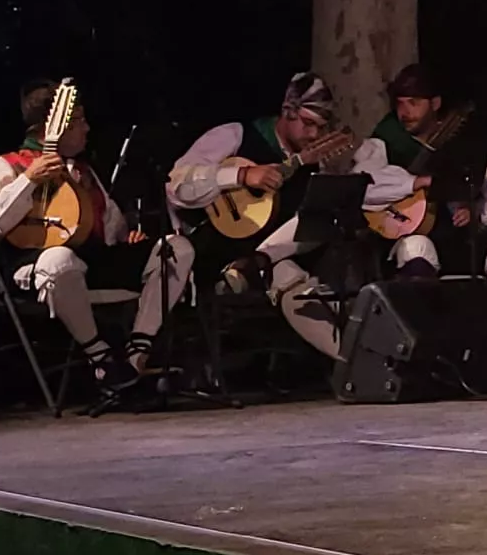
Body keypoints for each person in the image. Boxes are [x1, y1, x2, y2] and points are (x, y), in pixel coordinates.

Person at [0, 81, 196, 390]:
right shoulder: (6, 166)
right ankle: (100, 359)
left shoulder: (84, 172)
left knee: (176, 248)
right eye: (79, 121)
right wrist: (29, 180)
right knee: (59, 259)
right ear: (53, 125)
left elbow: (109, 226)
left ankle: (135, 355)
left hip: (94, 264)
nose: (87, 129)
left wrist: (128, 238)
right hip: (38, 269)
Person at [168, 73, 410, 357]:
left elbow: (309, 226)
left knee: (294, 274)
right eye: (307, 124)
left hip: (269, 261)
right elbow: (177, 183)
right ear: (287, 111)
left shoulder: (311, 165)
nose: (314, 136)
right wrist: (241, 175)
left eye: (320, 128)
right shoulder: (236, 135)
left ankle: (354, 361)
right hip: (216, 252)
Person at [369, 64, 487, 317]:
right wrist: (416, 182)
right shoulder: (384, 141)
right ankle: (425, 342)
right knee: (416, 246)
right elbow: (365, 187)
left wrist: (475, 211)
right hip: (415, 241)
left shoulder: (464, 147)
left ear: (435, 104)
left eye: (413, 103)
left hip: (465, 245)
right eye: (400, 103)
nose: (405, 112)